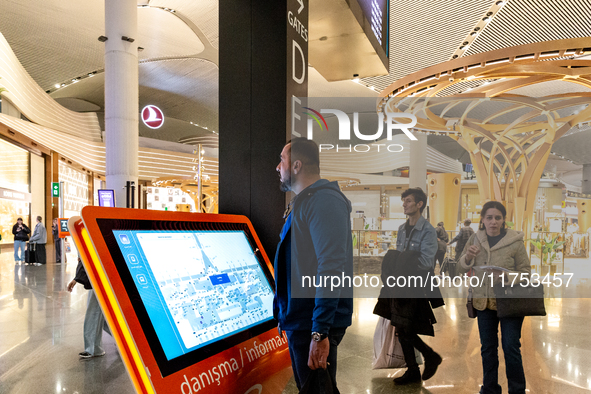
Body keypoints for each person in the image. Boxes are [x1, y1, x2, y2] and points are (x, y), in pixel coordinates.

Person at [273, 137, 353, 393]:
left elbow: (331, 268)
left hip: (311, 323)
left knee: (318, 389)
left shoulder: (323, 201)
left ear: (296, 166)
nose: (278, 167)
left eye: (282, 160)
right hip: (302, 319)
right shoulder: (304, 201)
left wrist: (319, 332)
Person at [457, 201, 530, 394]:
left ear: (504, 220)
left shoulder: (515, 241)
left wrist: (506, 276)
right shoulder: (475, 239)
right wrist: (468, 258)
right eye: (489, 217)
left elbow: (526, 273)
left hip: (509, 303)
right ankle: (489, 388)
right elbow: (459, 268)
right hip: (484, 303)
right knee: (488, 349)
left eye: (498, 217)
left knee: (511, 348)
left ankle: (517, 390)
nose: (493, 222)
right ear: (482, 219)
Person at [377, 187, 442, 384]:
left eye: (408, 201)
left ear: (419, 204)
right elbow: (399, 258)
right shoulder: (401, 229)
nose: (404, 204)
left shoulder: (428, 231)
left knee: (404, 327)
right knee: (400, 327)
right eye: (404, 201)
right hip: (399, 284)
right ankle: (415, 367)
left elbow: (426, 263)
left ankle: (429, 357)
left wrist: (401, 260)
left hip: (415, 286)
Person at [67, 256, 111, 358]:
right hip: (102, 273)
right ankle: (126, 340)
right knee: (101, 315)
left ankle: (94, 349)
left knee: (94, 312)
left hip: (100, 275)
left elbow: (86, 256)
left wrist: (77, 277)